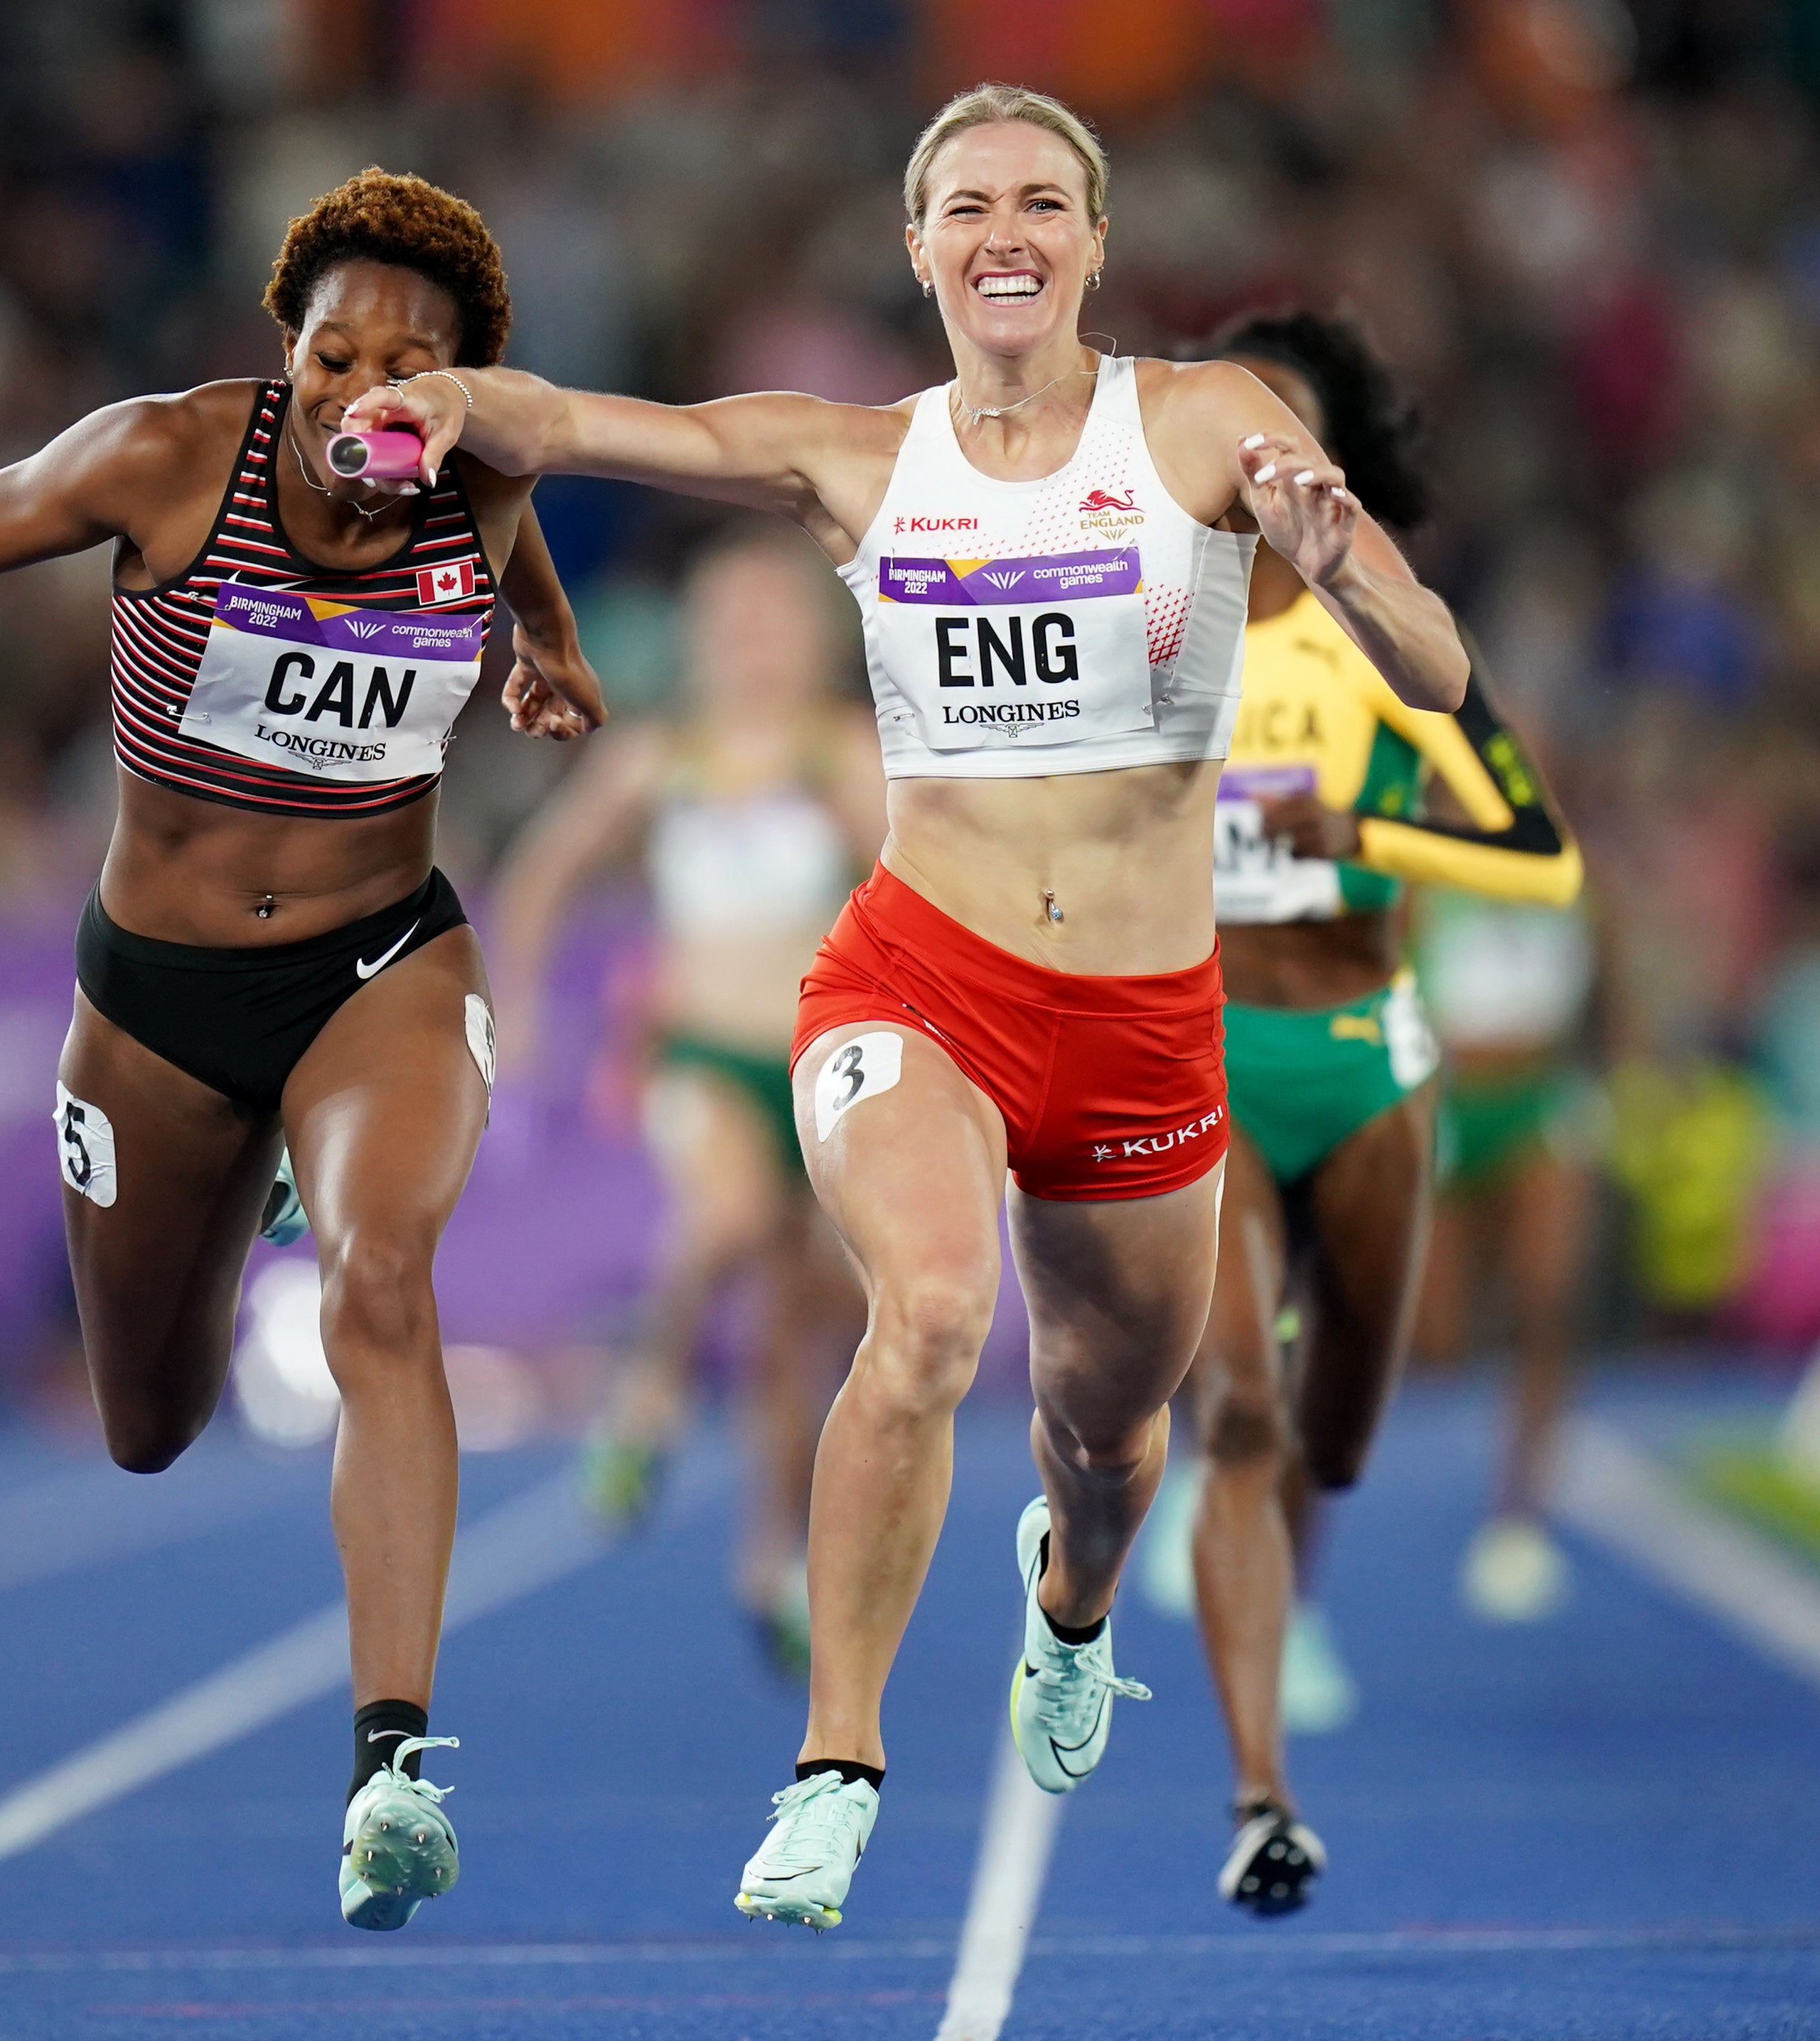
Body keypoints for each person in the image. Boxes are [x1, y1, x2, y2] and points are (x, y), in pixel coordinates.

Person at [340, 82, 1469, 1931]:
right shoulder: (859, 455)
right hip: (918, 976)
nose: (1005, 229)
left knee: (1106, 1440)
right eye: (967, 203)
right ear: (920, 243)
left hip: (1138, 1019)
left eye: (1043, 199)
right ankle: (836, 1764)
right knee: (932, 1310)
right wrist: (460, 402)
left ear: (1095, 238)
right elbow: (608, 424)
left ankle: (1074, 1610)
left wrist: (1342, 564)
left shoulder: (1202, 426)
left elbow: (1434, 655)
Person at [0, 170, 604, 1934]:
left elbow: (515, 546)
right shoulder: (166, 460)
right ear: (284, 356)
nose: (361, 397)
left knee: (379, 1290)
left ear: (463, 388)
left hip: (381, 965)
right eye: (327, 357)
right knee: (147, 1423)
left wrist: (550, 650)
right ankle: (249, 1159)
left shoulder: (488, 476)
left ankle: (389, 1765)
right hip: (158, 1002)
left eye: (403, 371)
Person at [1164, 310, 1583, 1919]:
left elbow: (1531, 846)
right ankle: (1257, 1790)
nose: (1260, 462)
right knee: (1234, 1414)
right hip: (1196, 1046)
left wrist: (1356, 833)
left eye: (1294, 434)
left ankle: (1285, 1581)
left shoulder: (1384, 633)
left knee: (1325, 1427)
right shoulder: (1149, 613)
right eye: (1235, 428)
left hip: (1356, 1054)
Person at [485, 527, 885, 1674]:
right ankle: (644, 1396)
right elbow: (540, 870)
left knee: (795, 1333)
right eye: (734, 621)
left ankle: (771, 1558)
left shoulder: (840, 754)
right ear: (698, 642)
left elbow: (916, 884)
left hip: (822, 1065)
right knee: (725, 1221)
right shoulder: (660, 759)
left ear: (815, 641)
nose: (755, 645)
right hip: (700, 1054)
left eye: (776, 619)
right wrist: (518, 1004)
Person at [1409, 882, 1600, 1619]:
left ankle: (1519, 1512)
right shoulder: (1423, 890)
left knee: (1548, 1300)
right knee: (1438, 1343)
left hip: (1540, 1101)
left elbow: (1611, 997)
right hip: (1451, 1102)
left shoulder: (1572, 885)